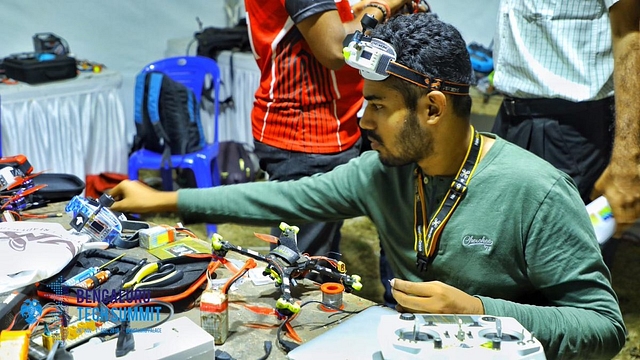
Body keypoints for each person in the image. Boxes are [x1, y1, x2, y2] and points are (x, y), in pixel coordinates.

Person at [110, 13, 626, 359]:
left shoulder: (534, 193)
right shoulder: (383, 173)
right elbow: (279, 196)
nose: (362, 118)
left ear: (432, 108)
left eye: (377, 104)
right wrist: (165, 199)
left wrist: (479, 311)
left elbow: (603, 327)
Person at [242, 0, 412, 262]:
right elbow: (335, 48)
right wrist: (382, 6)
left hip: (324, 125)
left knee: (320, 255)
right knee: (301, 267)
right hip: (306, 133)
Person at [490, 0, 640, 243]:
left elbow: (631, 34)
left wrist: (627, 163)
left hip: (570, 131)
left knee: (563, 257)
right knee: (504, 246)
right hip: (511, 117)